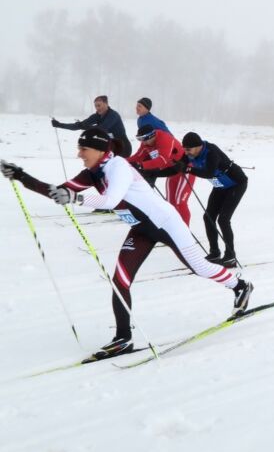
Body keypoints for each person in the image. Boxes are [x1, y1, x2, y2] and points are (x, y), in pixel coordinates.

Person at [1, 128, 252, 359]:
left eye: (83, 149)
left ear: (100, 150)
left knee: (200, 267)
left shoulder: (117, 166)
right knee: (120, 279)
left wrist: (76, 198)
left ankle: (239, 286)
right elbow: (60, 191)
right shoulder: (93, 171)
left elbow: (110, 200)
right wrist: (22, 176)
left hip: (166, 224)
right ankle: (123, 338)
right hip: (141, 229)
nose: (79, 154)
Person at [179, 132, 248, 267]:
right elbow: (180, 165)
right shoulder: (190, 153)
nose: (186, 152)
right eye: (184, 149)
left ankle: (230, 256)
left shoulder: (211, 152)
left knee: (223, 219)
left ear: (198, 147)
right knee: (208, 217)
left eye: (189, 149)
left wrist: (187, 169)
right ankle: (214, 253)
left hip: (236, 184)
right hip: (221, 186)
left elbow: (208, 173)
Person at [128, 125, 195, 224]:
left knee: (180, 202)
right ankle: (175, 229)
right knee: (170, 203)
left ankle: (186, 232)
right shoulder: (146, 144)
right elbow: (137, 157)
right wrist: (121, 161)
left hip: (185, 171)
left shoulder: (165, 138)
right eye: (140, 139)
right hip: (171, 172)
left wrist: (141, 166)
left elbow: (162, 160)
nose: (143, 142)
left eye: (144, 139)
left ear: (151, 136)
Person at [51, 95, 132, 157]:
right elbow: (80, 125)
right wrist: (59, 125)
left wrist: (85, 127)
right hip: (111, 148)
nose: (97, 108)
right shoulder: (97, 116)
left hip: (124, 148)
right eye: (96, 106)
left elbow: (101, 129)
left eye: (99, 105)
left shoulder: (113, 115)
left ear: (106, 104)